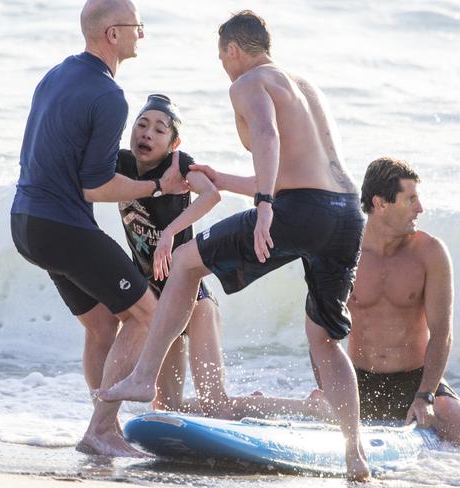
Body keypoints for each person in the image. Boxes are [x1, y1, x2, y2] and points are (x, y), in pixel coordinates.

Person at [99, 11, 370, 480]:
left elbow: (267, 139)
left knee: (184, 262)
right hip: (346, 213)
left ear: (232, 50)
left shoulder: (248, 81)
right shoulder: (304, 86)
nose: (222, 66)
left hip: (297, 208)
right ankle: (355, 455)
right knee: (325, 339)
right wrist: (226, 181)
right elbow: (299, 174)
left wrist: (265, 204)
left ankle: (144, 377)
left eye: (221, 57)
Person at [10, 0, 187, 457]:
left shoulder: (56, 73)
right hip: (61, 225)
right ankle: (102, 430)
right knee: (146, 314)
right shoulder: (109, 95)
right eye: (137, 27)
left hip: (25, 222)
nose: (141, 35)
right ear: (113, 34)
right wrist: (155, 186)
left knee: (102, 325)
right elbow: (96, 186)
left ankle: (99, 426)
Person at [95, 94, 325, 419]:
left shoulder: (179, 165)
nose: (147, 133)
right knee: (167, 407)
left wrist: (170, 232)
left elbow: (211, 194)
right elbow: (89, 181)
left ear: (174, 142)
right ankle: (252, 403)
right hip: (155, 305)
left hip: (193, 300)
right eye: (142, 125)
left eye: (160, 129)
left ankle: (308, 408)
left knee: (216, 406)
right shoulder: (120, 164)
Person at [314, 156, 460, 447]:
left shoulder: (429, 253)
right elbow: (320, 330)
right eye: (411, 200)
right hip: (357, 380)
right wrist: (327, 387)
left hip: (414, 382)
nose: (420, 208)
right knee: (312, 409)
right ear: (380, 203)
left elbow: (442, 334)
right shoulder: (343, 250)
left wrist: (425, 396)